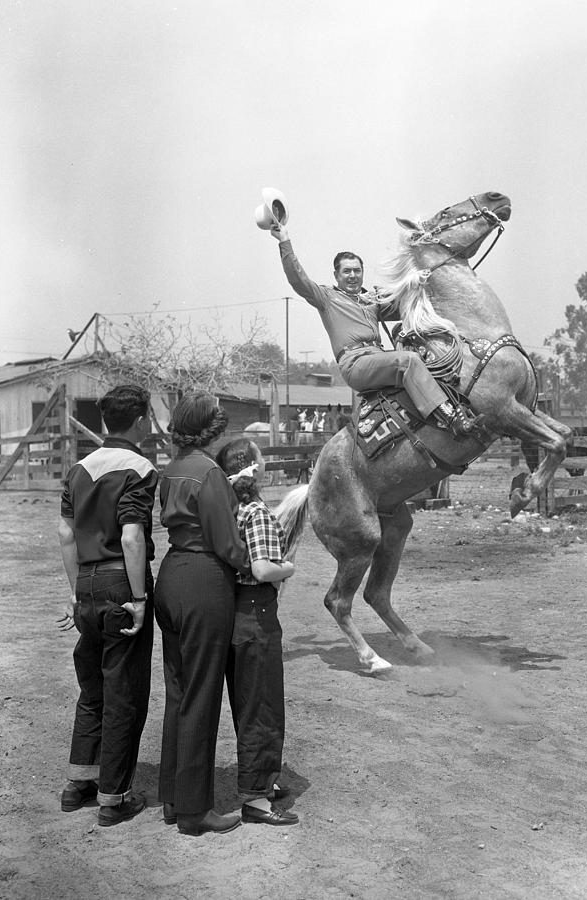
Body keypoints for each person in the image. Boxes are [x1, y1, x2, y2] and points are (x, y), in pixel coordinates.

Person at [57, 384, 157, 827]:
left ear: (103, 422)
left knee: (92, 686)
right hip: (121, 582)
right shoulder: (139, 468)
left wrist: (77, 590)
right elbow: (133, 537)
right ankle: (113, 798)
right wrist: (138, 598)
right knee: (124, 692)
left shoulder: (77, 469)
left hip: (86, 583)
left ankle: (79, 781)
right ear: (140, 421)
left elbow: (65, 535)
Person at [270, 223, 476, 437]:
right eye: (346, 271)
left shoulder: (372, 302)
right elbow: (297, 279)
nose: (352, 275)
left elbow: (405, 305)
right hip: (355, 363)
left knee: (426, 357)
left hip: (379, 359)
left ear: (362, 273)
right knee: (409, 361)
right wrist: (284, 240)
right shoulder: (327, 298)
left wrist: (421, 283)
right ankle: (451, 419)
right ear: (336, 275)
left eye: (357, 270)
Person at [155, 391, 250, 836]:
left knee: (179, 691)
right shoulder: (209, 472)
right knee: (202, 694)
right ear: (215, 428)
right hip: (203, 580)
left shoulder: (172, 468)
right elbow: (227, 543)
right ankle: (196, 811)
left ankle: (173, 798)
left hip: (171, 576)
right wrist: (256, 563)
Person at [216, 438, 299, 826]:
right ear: (254, 468)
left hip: (232, 612)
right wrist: (290, 568)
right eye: (262, 458)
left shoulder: (229, 511)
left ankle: (259, 780)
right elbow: (264, 569)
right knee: (263, 705)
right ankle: (257, 797)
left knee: (246, 702)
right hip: (256, 612)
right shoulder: (259, 513)